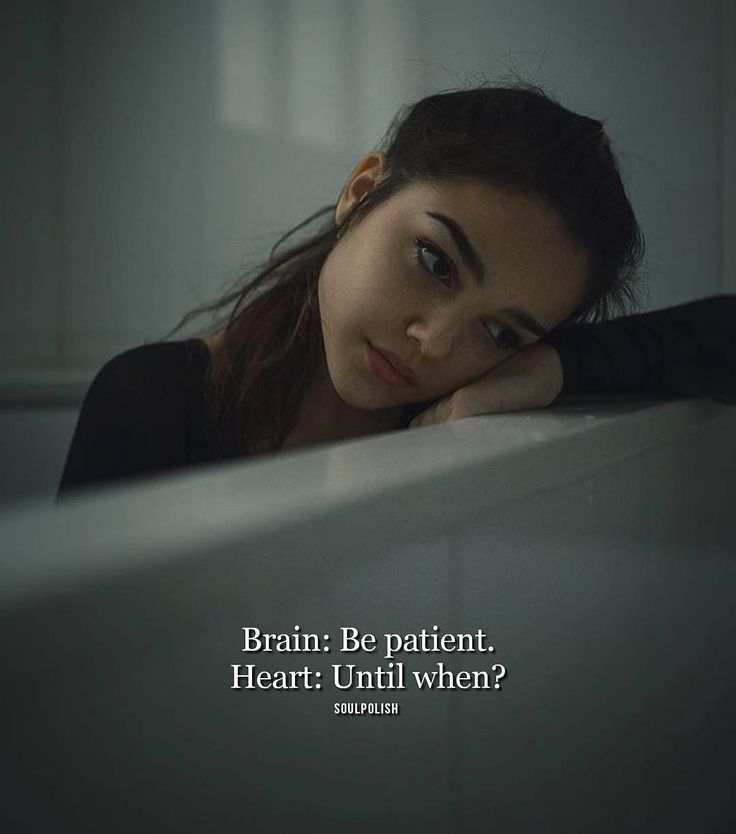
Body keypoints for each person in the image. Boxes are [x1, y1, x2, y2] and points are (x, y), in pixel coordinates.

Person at [58, 84, 736, 496]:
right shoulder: (151, 403)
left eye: (501, 332)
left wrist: (559, 365)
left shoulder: (471, 409)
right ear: (360, 193)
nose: (435, 343)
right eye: (435, 261)